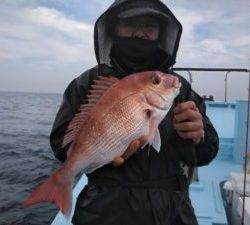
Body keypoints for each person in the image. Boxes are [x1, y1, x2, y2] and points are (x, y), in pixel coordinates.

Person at [50, 0, 219, 224]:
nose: (139, 33)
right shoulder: (87, 84)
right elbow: (60, 142)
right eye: (130, 24)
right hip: (103, 211)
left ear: (161, 33)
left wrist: (199, 137)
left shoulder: (179, 88)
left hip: (171, 212)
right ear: (113, 29)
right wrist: (104, 152)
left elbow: (206, 153)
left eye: (149, 26)